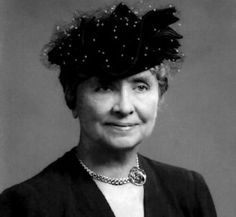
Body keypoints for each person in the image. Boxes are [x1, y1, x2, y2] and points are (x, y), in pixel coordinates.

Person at [0, 2, 217, 217]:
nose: (124, 107)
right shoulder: (27, 204)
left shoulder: (188, 191)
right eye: (104, 87)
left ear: (160, 96)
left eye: (140, 86)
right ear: (71, 95)